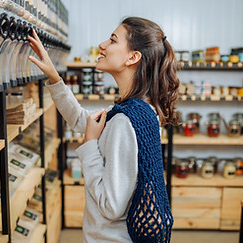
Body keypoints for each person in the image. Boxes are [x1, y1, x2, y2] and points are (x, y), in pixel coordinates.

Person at [28, 16, 179, 243]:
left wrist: (89, 145)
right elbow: (83, 120)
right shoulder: (139, 110)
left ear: (133, 57)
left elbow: (111, 207)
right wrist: (54, 77)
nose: (102, 45)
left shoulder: (124, 122)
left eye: (113, 40)